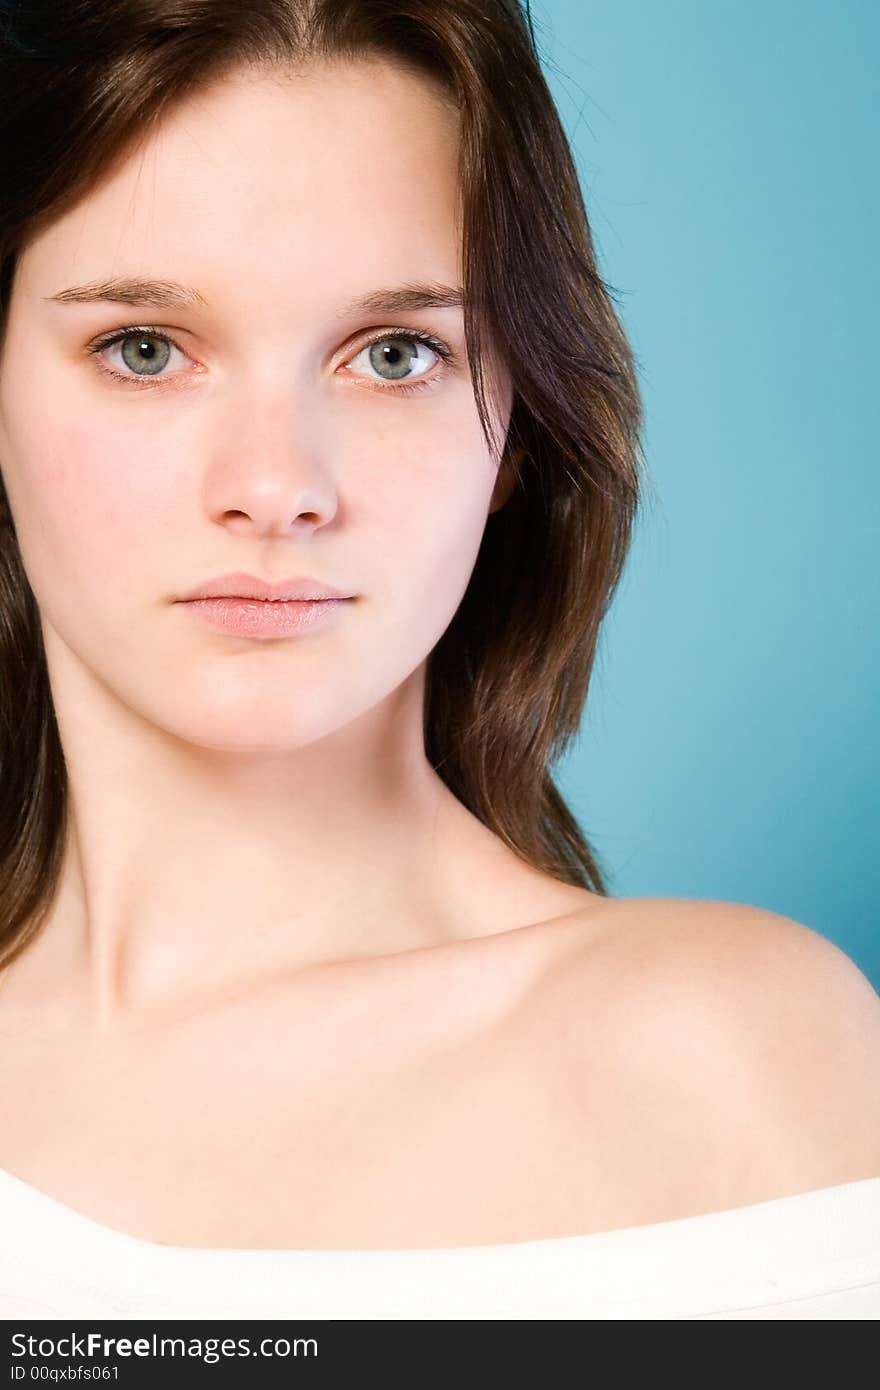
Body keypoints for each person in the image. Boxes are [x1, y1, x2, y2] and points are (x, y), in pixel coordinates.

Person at [0, 0, 877, 1321]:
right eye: (145, 349)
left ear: (516, 425)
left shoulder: (731, 1061)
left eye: (393, 354)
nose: (277, 485)